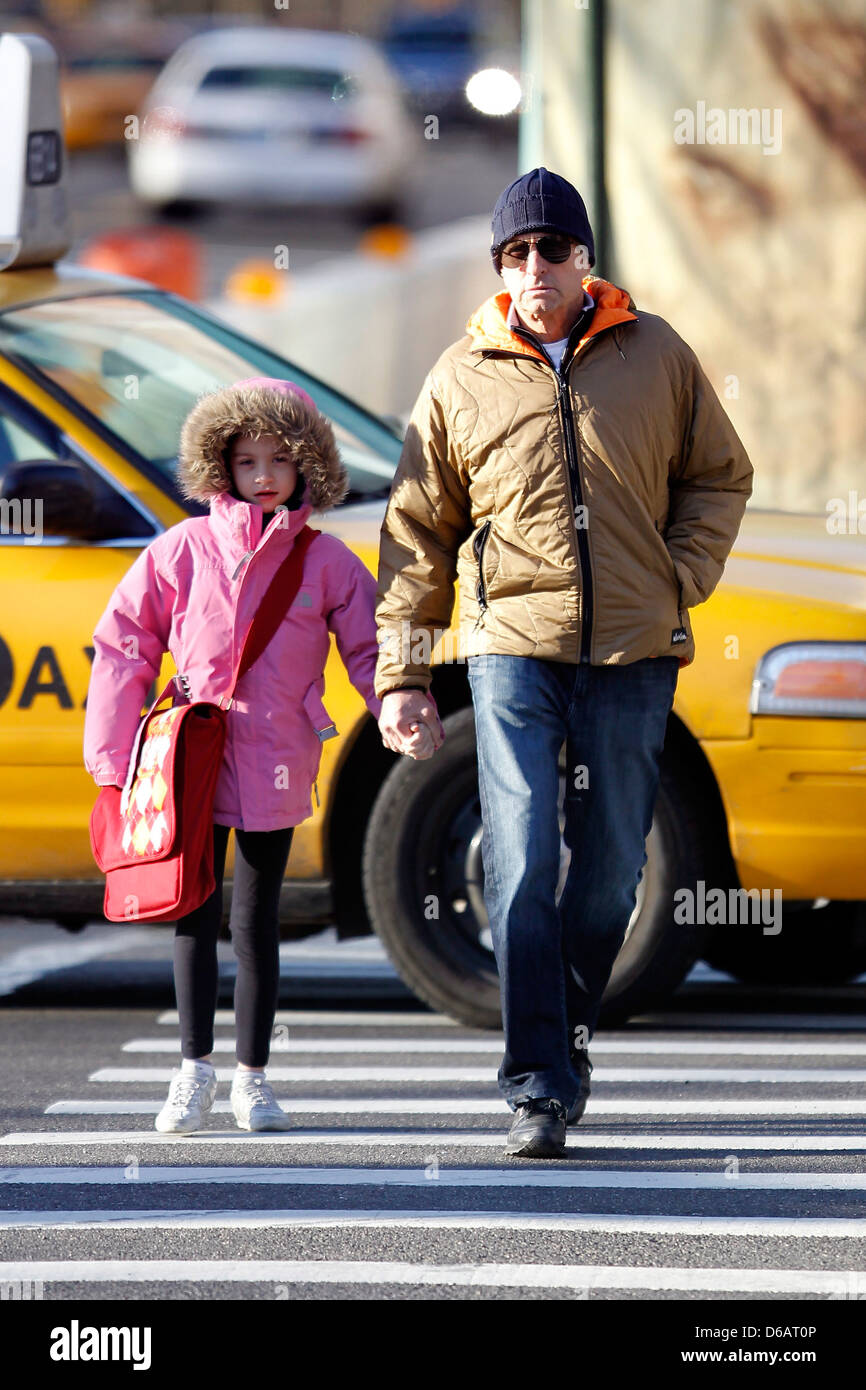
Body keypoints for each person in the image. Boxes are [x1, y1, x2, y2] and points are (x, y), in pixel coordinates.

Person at [375, 168, 754, 1158]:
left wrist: (677, 576)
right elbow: (414, 535)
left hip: (632, 648)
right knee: (524, 859)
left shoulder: (654, 354)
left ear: (586, 259)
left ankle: (564, 1038)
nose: (532, 268)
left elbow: (719, 475)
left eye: (551, 248)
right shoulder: (460, 376)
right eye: (513, 253)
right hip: (509, 649)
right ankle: (536, 1081)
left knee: (608, 879)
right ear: (498, 269)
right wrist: (403, 676)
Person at [84, 377, 389, 1135]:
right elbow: (124, 643)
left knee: (255, 921)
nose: (262, 475)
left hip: (276, 754)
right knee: (190, 911)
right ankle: (192, 1069)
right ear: (221, 467)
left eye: (279, 461)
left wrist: (399, 710)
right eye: (246, 460)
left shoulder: (328, 562)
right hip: (187, 757)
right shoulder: (181, 549)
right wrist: (114, 758)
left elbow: (372, 649)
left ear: (306, 468)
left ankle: (253, 1078)